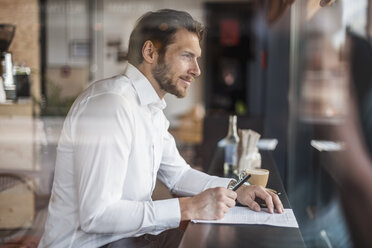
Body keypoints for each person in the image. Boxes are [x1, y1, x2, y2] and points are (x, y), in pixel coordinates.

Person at [39, 9, 283, 248]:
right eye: (187, 56)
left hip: (129, 239)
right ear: (150, 52)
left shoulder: (150, 109)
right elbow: (97, 215)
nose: (197, 70)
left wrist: (237, 189)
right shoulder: (112, 105)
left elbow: (179, 175)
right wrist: (189, 207)